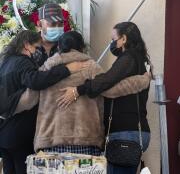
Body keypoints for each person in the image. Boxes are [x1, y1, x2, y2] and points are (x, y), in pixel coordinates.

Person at [18, 31, 150, 156]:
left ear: (59, 47)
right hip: (86, 140)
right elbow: (113, 89)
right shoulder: (90, 67)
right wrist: (142, 80)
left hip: (50, 141)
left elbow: (27, 100)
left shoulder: (46, 69)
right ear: (82, 47)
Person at [58, 22, 152, 174]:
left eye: (113, 39)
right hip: (136, 131)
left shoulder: (129, 57)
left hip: (125, 132)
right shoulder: (141, 59)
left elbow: (107, 81)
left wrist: (78, 89)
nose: (112, 43)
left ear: (123, 39)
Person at [0, 30, 86, 174]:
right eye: (35, 47)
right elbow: (36, 81)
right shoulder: (22, 61)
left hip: (5, 132)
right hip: (20, 133)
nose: (37, 51)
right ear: (26, 45)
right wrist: (67, 69)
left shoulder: (6, 62)